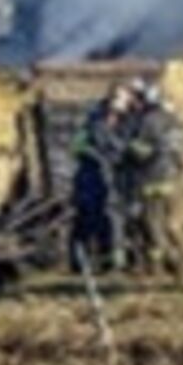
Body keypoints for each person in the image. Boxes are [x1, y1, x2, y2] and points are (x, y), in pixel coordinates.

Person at [122, 79, 183, 275]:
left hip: (152, 178)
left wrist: (128, 149)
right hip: (171, 178)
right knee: (168, 221)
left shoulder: (148, 121)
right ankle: (173, 258)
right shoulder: (174, 120)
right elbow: (179, 149)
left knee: (152, 223)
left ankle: (162, 264)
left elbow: (141, 151)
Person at [69, 85, 135, 273]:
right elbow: (77, 146)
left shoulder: (130, 122)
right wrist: (95, 155)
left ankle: (112, 262)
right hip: (91, 178)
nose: (123, 103)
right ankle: (80, 260)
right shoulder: (94, 121)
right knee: (88, 219)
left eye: (125, 99)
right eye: (119, 98)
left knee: (114, 220)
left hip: (116, 179)